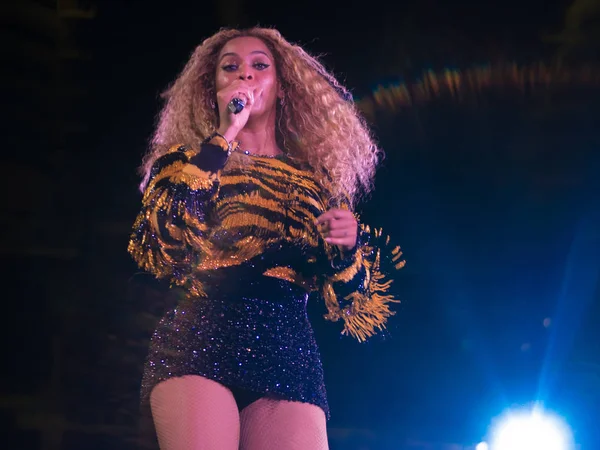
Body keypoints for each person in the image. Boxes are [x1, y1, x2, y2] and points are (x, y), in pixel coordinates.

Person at [128, 26, 405, 450]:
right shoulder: (186, 162)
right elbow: (160, 240)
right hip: (200, 339)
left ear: (282, 87)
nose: (245, 75)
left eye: (260, 66)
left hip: (286, 348)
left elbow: (354, 301)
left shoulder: (316, 183)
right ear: (213, 86)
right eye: (230, 67)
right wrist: (224, 136)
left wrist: (348, 249)